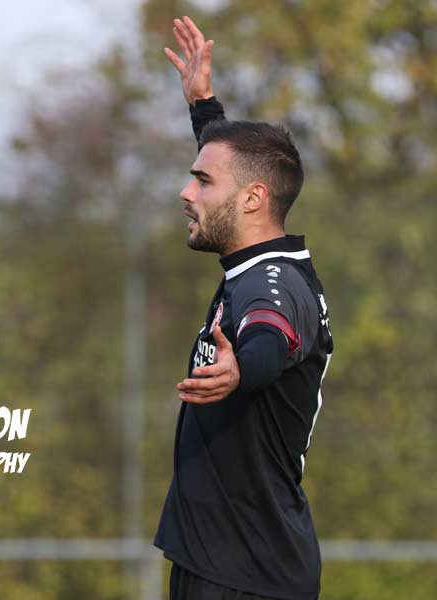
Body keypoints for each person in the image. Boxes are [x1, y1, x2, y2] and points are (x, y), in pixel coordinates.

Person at [153, 16, 334, 600]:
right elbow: (235, 164)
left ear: (253, 199)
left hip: (246, 580)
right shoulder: (257, 265)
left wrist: (241, 369)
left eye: (201, 182)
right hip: (224, 567)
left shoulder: (273, 284)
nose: (186, 192)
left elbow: (269, 337)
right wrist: (203, 106)